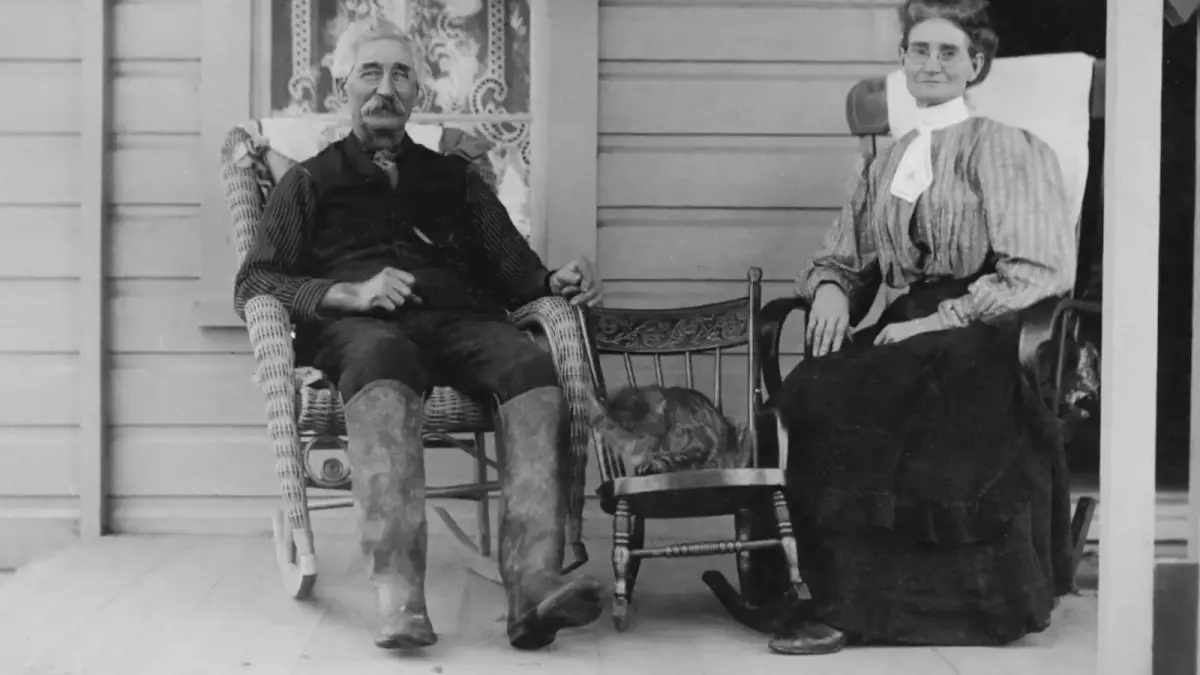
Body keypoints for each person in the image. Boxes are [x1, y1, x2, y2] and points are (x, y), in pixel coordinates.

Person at [233, 17, 604, 652]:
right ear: (343, 87)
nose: (385, 88)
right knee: (381, 357)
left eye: (400, 74)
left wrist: (558, 281)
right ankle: (400, 595)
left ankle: (534, 587)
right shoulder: (308, 182)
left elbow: (517, 275)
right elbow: (256, 282)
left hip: (459, 322)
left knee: (529, 369)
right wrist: (343, 293)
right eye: (370, 73)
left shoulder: (456, 180)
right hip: (360, 331)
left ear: (417, 92)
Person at [763, 0, 1078, 655]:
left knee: (897, 390)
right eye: (919, 51)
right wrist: (828, 290)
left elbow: (1040, 266)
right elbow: (846, 255)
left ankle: (901, 606)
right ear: (903, 62)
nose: (931, 64)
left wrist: (940, 318)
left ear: (976, 66)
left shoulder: (1004, 147)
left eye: (948, 53)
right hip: (903, 323)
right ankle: (840, 591)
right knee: (817, 389)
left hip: (980, 326)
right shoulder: (886, 163)